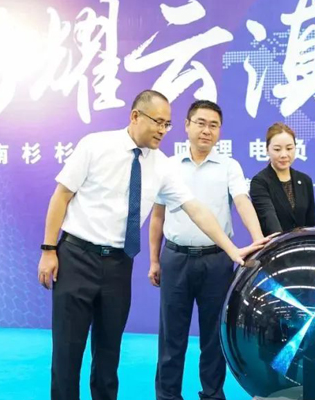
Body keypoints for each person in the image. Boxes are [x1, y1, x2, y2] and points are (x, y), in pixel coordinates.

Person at [37, 90, 264, 400]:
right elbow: (61, 196)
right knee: (67, 351)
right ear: (135, 116)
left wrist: (231, 249)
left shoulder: (162, 166)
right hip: (76, 256)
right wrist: (49, 249)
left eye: (166, 124)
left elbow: (195, 209)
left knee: (109, 354)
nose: (162, 130)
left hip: (118, 265)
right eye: (158, 122)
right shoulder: (95, 145)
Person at [148, 100, 264, 400]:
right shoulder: (169, 165)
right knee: (171, 336)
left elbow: (242, 203)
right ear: (187, 125)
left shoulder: (229, 166)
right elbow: (157, 216)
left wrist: (259, 241)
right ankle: (167, 395)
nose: (206, 130)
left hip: (217, 261)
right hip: (175, 258)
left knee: (214, 337)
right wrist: (154, 260)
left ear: (220, 131)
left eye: (213, 125)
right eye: (200, 123)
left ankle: (212, 394)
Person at [250, 122, 315, 236]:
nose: (284, 155)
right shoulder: (260, 182)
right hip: (275, 244)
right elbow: (268, 218)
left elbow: (311, 225)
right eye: (277, 149)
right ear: (267, 150)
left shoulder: (305, 181)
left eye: (289, 148)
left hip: (304, 245)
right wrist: (283, 243)